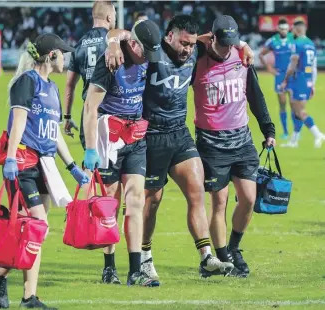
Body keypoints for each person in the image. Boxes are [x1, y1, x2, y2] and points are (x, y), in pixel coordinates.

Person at [103, 14, 254, 282]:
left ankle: (207, 257)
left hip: (179, 133)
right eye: (183, 43)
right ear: (169, 36)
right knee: (152, 202)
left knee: (196, 192)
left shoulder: (196, 48)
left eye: (191, 44)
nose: (187, 49)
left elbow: (220, 38)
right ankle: (146, 258)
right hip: (150, 136)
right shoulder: (153, 51)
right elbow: (121, 32)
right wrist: (113, 43)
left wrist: (243, 45)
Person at [0, 33, 89, 309]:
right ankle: (4, 279)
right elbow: (18, 120)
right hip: (22, 162)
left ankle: (25, 295)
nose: (66, 58)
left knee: (36, 231)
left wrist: (71, 167)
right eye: (63, 53)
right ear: (51, 55)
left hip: (45, 165)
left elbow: (53, 133)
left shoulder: (52, 88)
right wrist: (9, 159)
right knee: (34, 227)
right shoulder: (26, 82)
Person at [192, 15, 276, 277]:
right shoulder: (196, 59)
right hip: (211, 142)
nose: (227, 48)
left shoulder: (242, 57)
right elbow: (176, 45)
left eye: (233, 42)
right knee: (220, 203)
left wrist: (268, 129)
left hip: (242, 139)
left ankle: (234, 247)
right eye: (222, 42)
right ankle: (221, 258)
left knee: (249, 198)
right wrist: (200, 40)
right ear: (212, 37)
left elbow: (255, 95)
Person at [83, 19, 162, 287]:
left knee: (136, 201)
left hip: (135, 138)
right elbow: (90, 108)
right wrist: (91, 150)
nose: (146, 60)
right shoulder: (110, 63)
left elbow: (118, 32)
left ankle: (135, 271)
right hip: (109, 139)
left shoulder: (140, 51)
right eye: (144, 53)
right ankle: (109, 268)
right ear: (132, 44)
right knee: (110, 207)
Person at [62, 0, 122, 285]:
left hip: (90, 118)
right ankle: (109, 260)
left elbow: (71, 84)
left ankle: (83, 226)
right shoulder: (116, 39)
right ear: (110, 15)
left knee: (96, 179)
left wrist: (65, 116)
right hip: (115, 118)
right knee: (115, 190)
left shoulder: (81, 44)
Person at [280, 20, 325, 148]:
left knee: (299, 111)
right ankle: (294, 141)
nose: (291, 31)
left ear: (298, 30)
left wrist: (285, 80)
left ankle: (318, 134)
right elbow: (314, 67)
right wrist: (313, 84)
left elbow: (293, 64)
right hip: (308, 79)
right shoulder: (311, 44)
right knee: (297, 111)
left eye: (293, 29)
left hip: (298, 79)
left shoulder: (297, 43)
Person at [259, 19, 295, 140]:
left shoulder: (293, 38)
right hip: (279, 76)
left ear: (288, 28)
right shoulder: (273, 41)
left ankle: (295, 132)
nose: (284, 31)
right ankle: (285, 132)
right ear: (278, 29)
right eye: (282, 28)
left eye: (286, 28)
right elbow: (261, 54)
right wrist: (269, 68)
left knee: (294, 104)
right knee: (283, 104)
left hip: (292, 75)